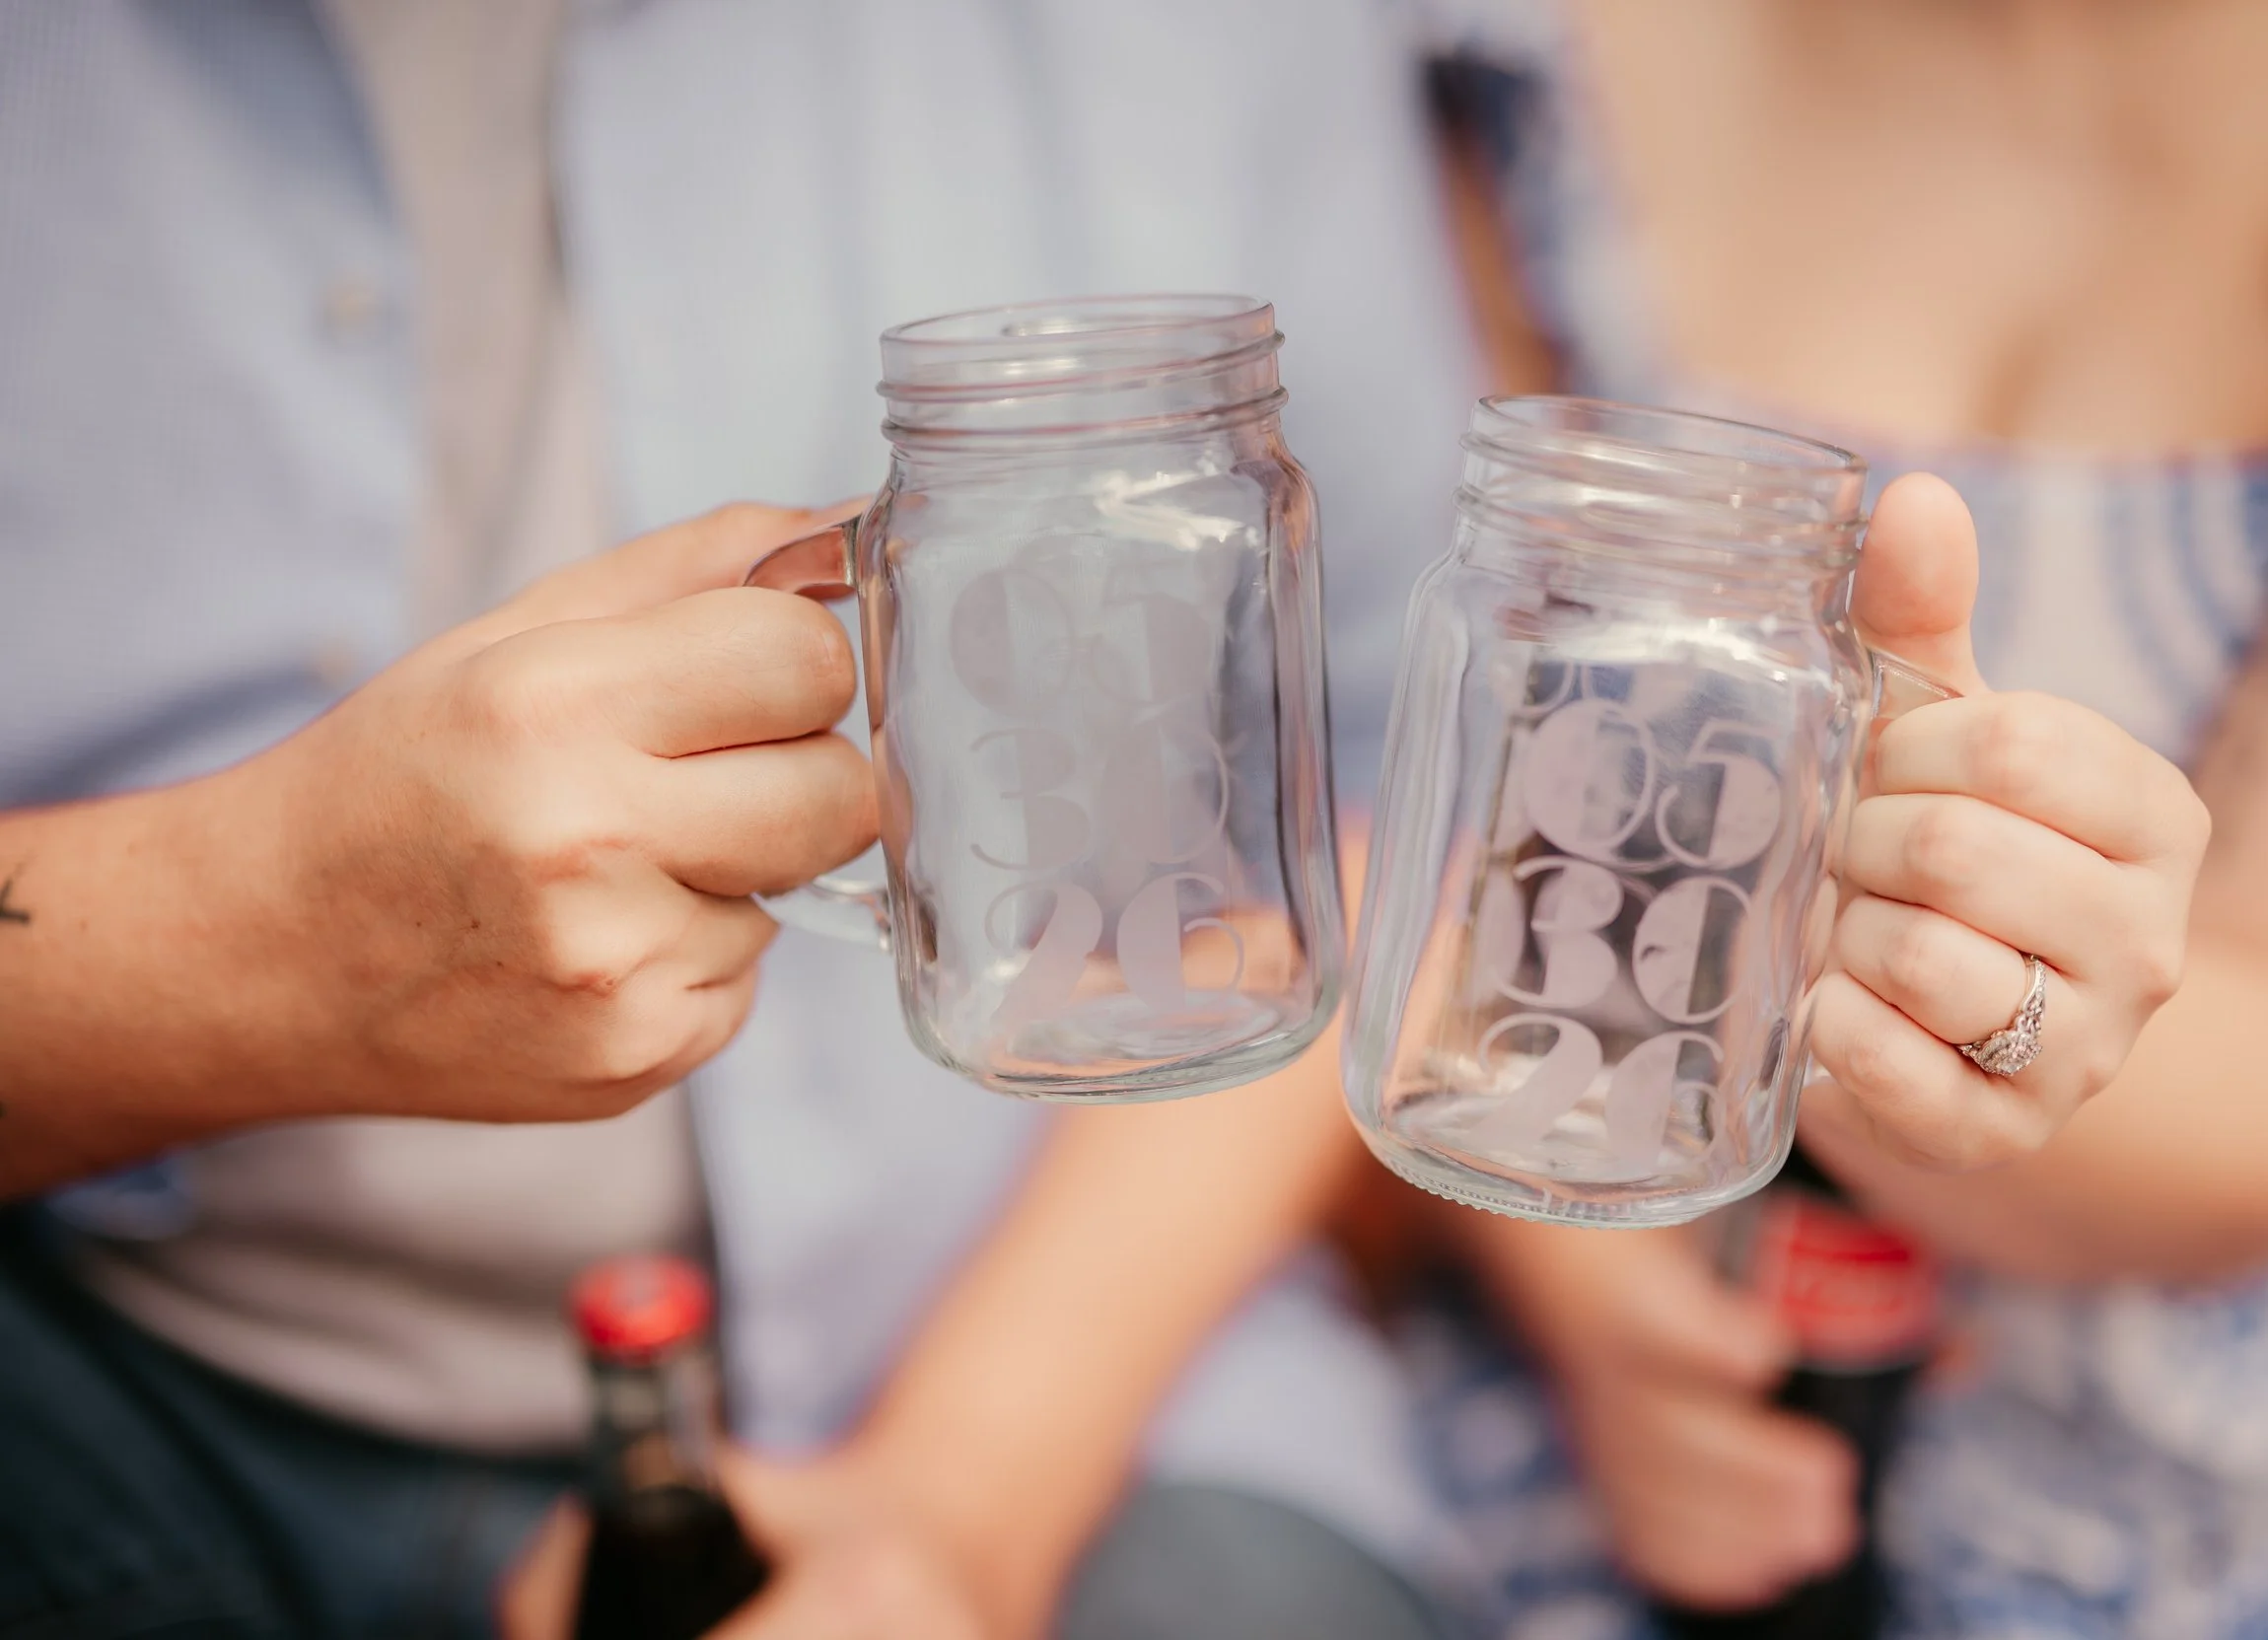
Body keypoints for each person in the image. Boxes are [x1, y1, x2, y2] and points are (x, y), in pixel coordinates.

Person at [0, 3, 1488, 1636]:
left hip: (1081, 1358)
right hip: (118, 1373)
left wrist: (960, 1503)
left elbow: (1381, 771)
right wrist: (256, 931)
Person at [1400, 1, 2268, 1635]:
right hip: (1605, 1458)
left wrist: (1927, 986)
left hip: (2236, 1532)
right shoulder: (1499, 78)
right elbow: (1404, 841)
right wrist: (1584, 1276)